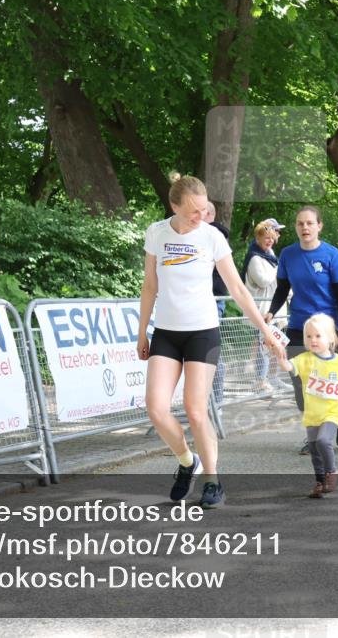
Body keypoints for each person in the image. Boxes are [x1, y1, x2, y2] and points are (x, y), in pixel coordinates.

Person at [137, 174, 283, 509]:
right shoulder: (156, 233)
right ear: (174, 206)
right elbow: (149, 286)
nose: (200, 216)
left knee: (195, 409)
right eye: (193, 211)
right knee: (156, 409)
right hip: (167, 332)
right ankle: (188, 461)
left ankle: (213, 480)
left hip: (202, 331)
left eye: (204, 209)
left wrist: (265, 331)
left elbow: (238, 290)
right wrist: (142, 331)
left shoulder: (212, 236)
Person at [265, 206, 338, 453]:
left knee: (325, 382)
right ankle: (313, 435)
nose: (305, 227)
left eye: (309, 223)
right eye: (300, 223)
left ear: (319, 226)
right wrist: (271, 312)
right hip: (298, 326)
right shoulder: (288, 255)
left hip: (327, 327)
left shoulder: (332, 255)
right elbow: (282, 289)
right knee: (301, 383)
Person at [276, 314, 338, 498]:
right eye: (309, 336)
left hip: (332, 412)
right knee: (314, 449)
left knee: (323, 441)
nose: (313, 340)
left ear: (330, 338)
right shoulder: (304, 359)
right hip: (312, 414)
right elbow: (289, 367)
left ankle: (332, 471)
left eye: (318, 336)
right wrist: (281, 359)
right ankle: (320, 482)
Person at [243, 220, 287, 390]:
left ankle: (273, 377)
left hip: (275, 309)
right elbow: (262, 281)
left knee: (277, 343)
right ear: (258, 238)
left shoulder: (271, 255)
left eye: (272, 237)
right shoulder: (254, 257)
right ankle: (260, 380)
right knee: (264, 345)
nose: (270, 241)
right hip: (262, 309)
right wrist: (278, 269)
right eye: (266, 237)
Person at [203, 201, 229, 414]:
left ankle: (216, 401)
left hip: (212, 298)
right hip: (200, 299)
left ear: (207, 214)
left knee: (211, 351)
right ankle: (206, 401)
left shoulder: (213, 236)